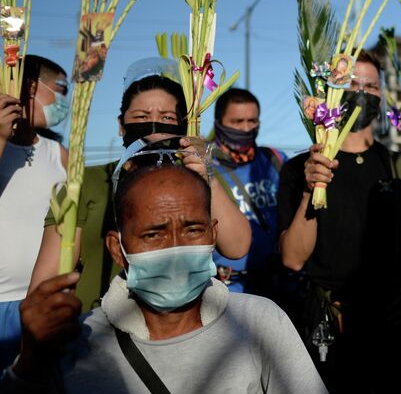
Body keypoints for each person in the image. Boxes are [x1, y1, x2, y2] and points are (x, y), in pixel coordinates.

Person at [0, 163, 335, 394]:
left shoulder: (260, 321)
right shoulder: (73, 342)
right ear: (118, 249)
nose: (175, 250)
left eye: (192, 229)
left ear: (213, 235)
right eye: (153, 234)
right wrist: (31, 361)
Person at [278, 50, 401, 394]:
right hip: (329, 327)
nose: (363, 93)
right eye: (353, 84)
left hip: (394, 328)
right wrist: (310, 188)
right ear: (331, 90)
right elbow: (291, 258)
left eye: (372, 86)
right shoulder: (299, 170)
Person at [28, 61, 250, 313]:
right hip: (98, 328)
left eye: (166, 117)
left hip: (184, 324)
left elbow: (237, 246)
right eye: (142, 117)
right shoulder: (87, 182)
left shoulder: (195, 179)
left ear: (182, 125)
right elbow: (46, 282)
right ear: (122, 125)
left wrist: (207, 177)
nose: (154, 127)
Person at [0, 55, 69, 369]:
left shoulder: (59, 155)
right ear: (30, 87)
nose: (63, 100)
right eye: (59, 88)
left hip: (37, 307)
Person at [210, 88, 288, 297]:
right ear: (218, 122)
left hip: (279, 283)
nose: (246, 128)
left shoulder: (275, 160)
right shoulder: (205, 169)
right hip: (231, 288)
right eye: (237, 122)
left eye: (252, 121)